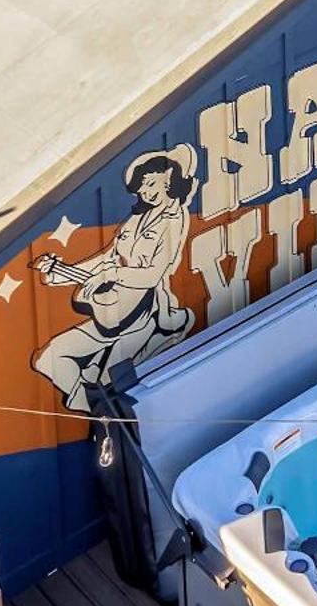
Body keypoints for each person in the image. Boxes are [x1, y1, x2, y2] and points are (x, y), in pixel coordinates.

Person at [30, 144, 197, 410]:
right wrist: (58, 273)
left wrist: (112, 274)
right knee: (49, 359)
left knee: (108, 381)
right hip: (111, 311)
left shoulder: (174, 220)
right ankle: (100, 410)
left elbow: (153, 275)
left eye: (150, 184)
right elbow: (107, 257)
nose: (145, 192)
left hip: (144, 314)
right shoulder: (137, 218)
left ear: (168, 180)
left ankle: (107, 411)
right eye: (141, 187)